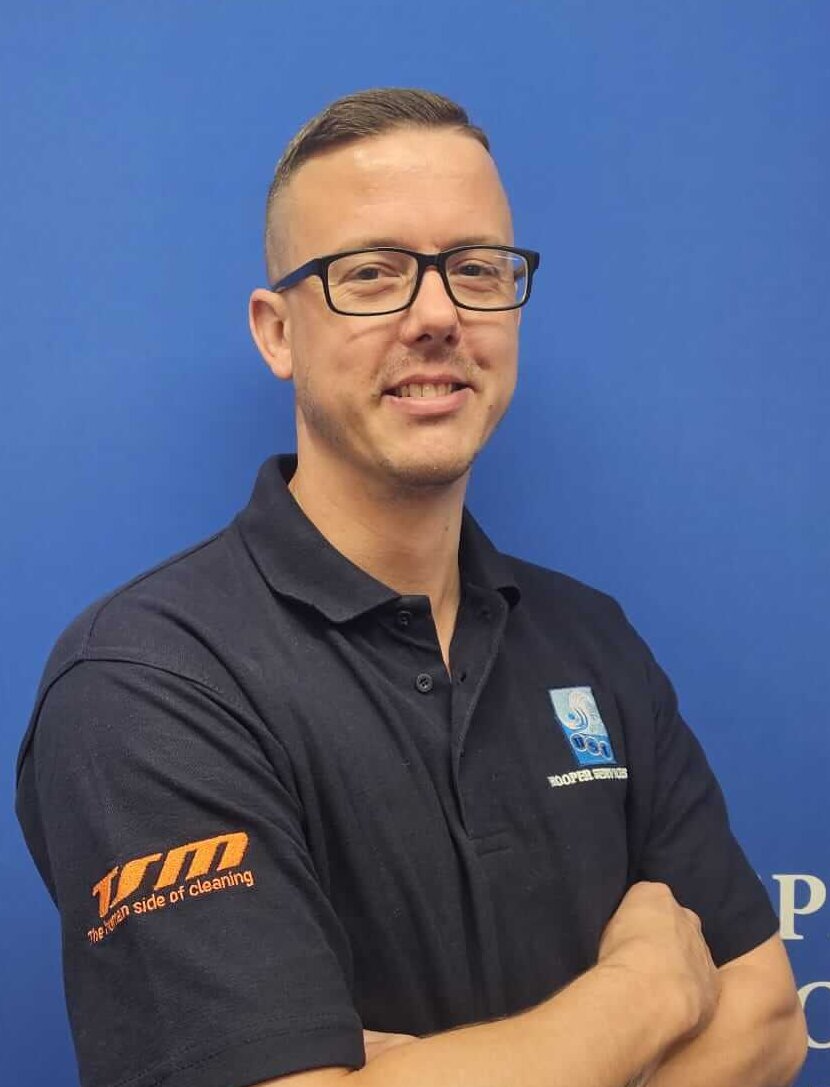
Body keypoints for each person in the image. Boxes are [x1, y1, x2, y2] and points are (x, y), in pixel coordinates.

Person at [16, 88, 806, 1087]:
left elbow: (769, 1020)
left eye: (476, 268)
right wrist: (642, 992)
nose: (436, 315)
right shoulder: (149, 680)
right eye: (371, 273)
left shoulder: (588, 638)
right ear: (277, 332)